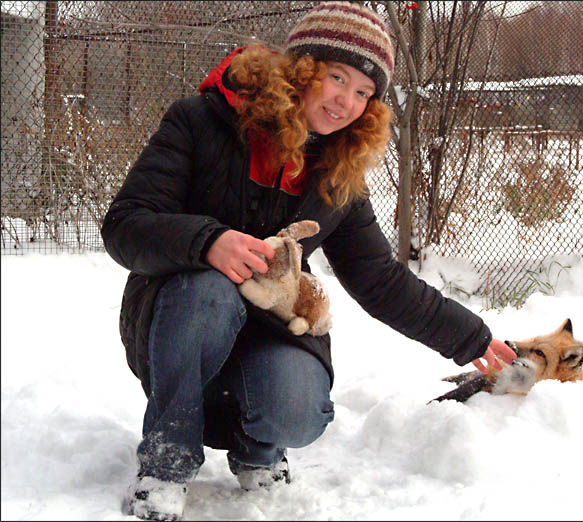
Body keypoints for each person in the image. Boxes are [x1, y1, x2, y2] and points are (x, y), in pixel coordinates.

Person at [101, 2, 517, 520]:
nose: (347, 102)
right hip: (181, 321)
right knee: (205, 291)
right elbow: (125, 224)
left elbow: (381, 280)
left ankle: (259, 456)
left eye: (364, 92)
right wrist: (206, 241)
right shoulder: (199, 122)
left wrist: (470, 337)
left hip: (274, 325)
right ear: (302, 69)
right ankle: (166, 464)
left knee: (299, 410)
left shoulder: (337, 171)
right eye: (337, 78)